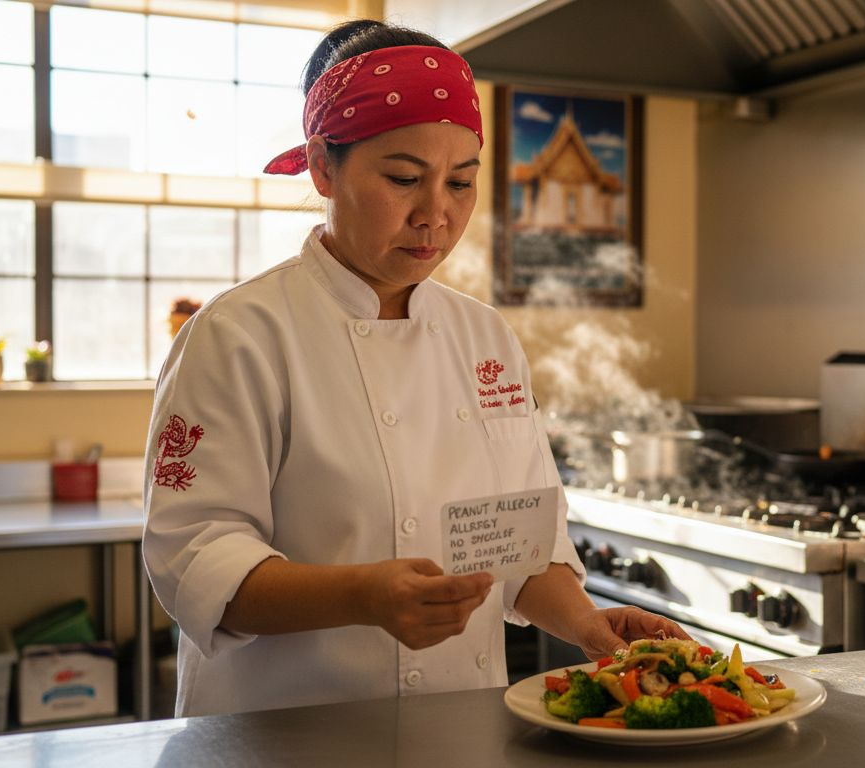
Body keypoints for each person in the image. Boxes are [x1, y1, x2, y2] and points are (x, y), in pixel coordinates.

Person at [141, 19, 686, 717]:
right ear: (322, 167)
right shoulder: (240, 335)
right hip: (281, 738)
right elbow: (195, 561)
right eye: (403, 178)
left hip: (459, 734)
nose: (436, 214)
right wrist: (362, 597)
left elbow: (522, 546)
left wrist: (586, 624)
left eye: (461, 182)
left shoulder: (484, 337)